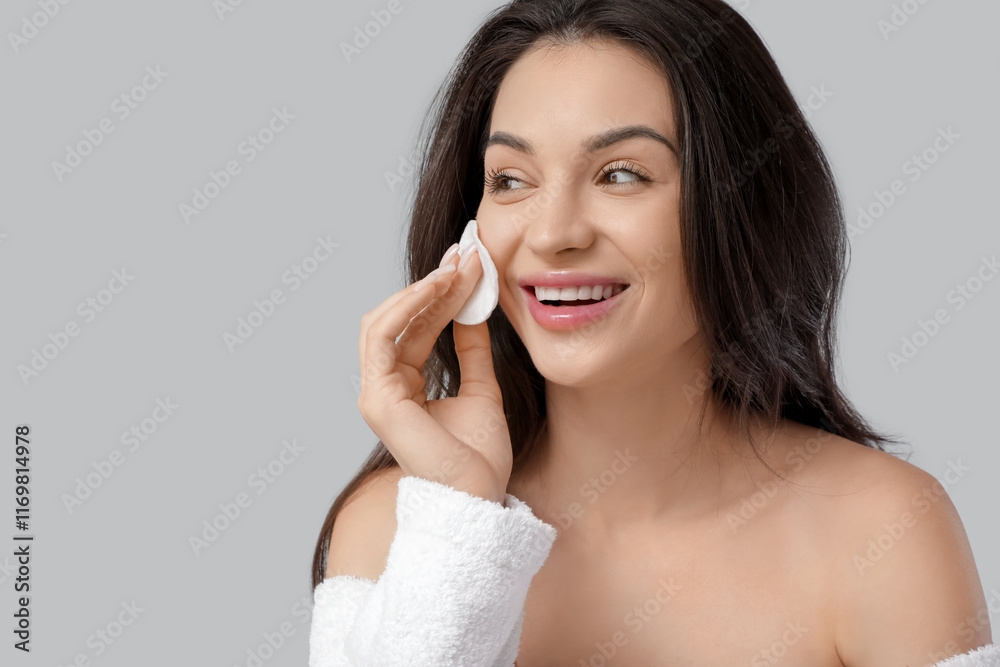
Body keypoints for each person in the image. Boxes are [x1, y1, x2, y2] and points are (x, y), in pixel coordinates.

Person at [309, 0, 999, 664]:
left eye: (620, 174)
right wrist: (460, 515)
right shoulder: (402, 531)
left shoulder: (883, 532)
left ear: (738, 206)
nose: (552, 235)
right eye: (511, 180)